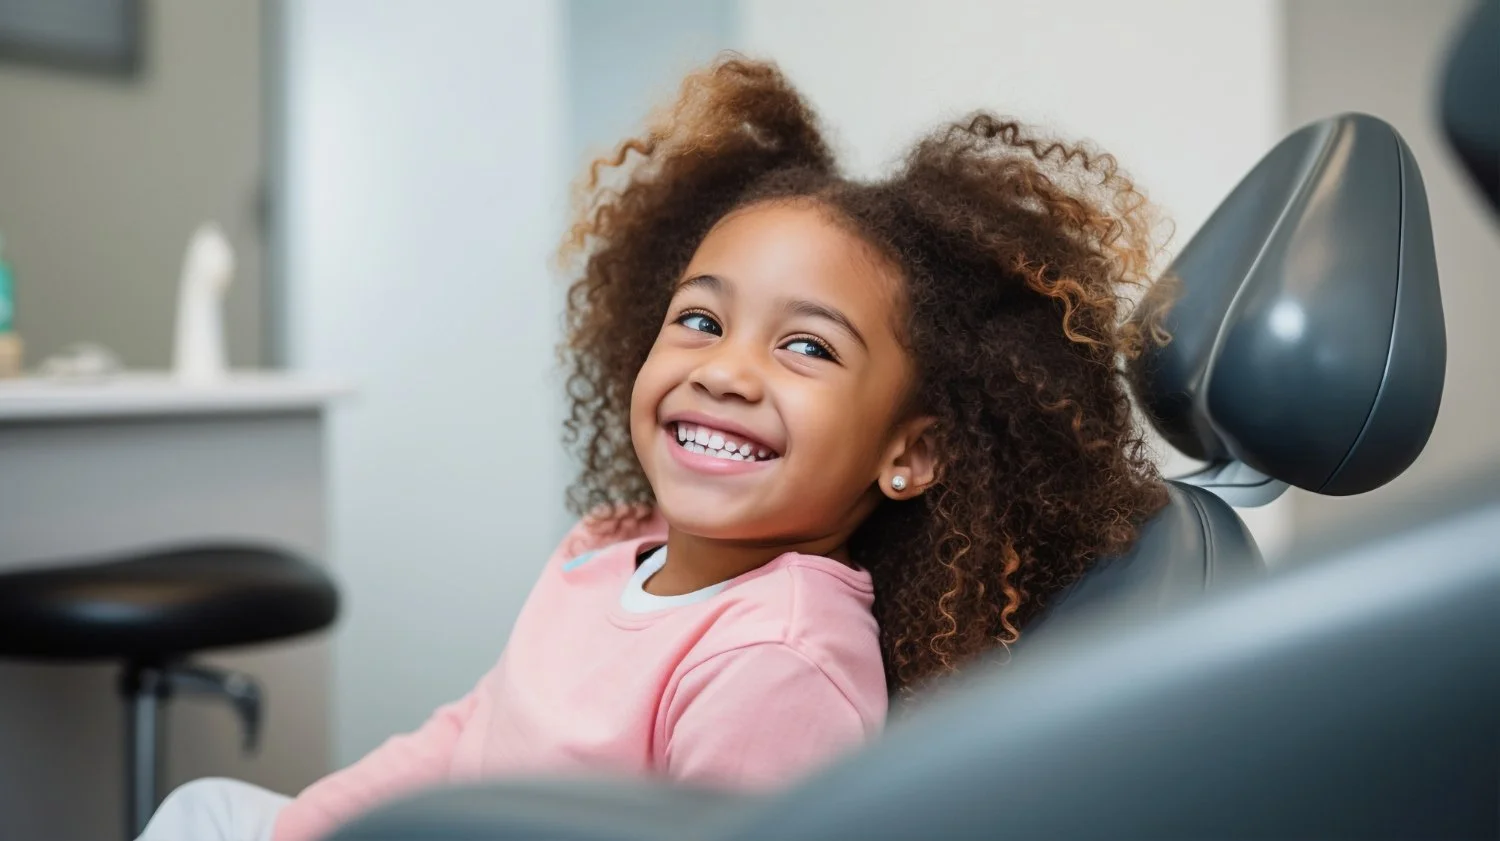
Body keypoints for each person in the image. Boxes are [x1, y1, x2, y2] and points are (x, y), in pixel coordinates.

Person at [138, 56, 1171, 841]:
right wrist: (309, 825)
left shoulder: (779, 659)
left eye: (806, 346)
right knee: (205, 809)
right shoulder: (605, 547)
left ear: (911, 452)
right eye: (700, 321)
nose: (725, 369)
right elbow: (465, 733)